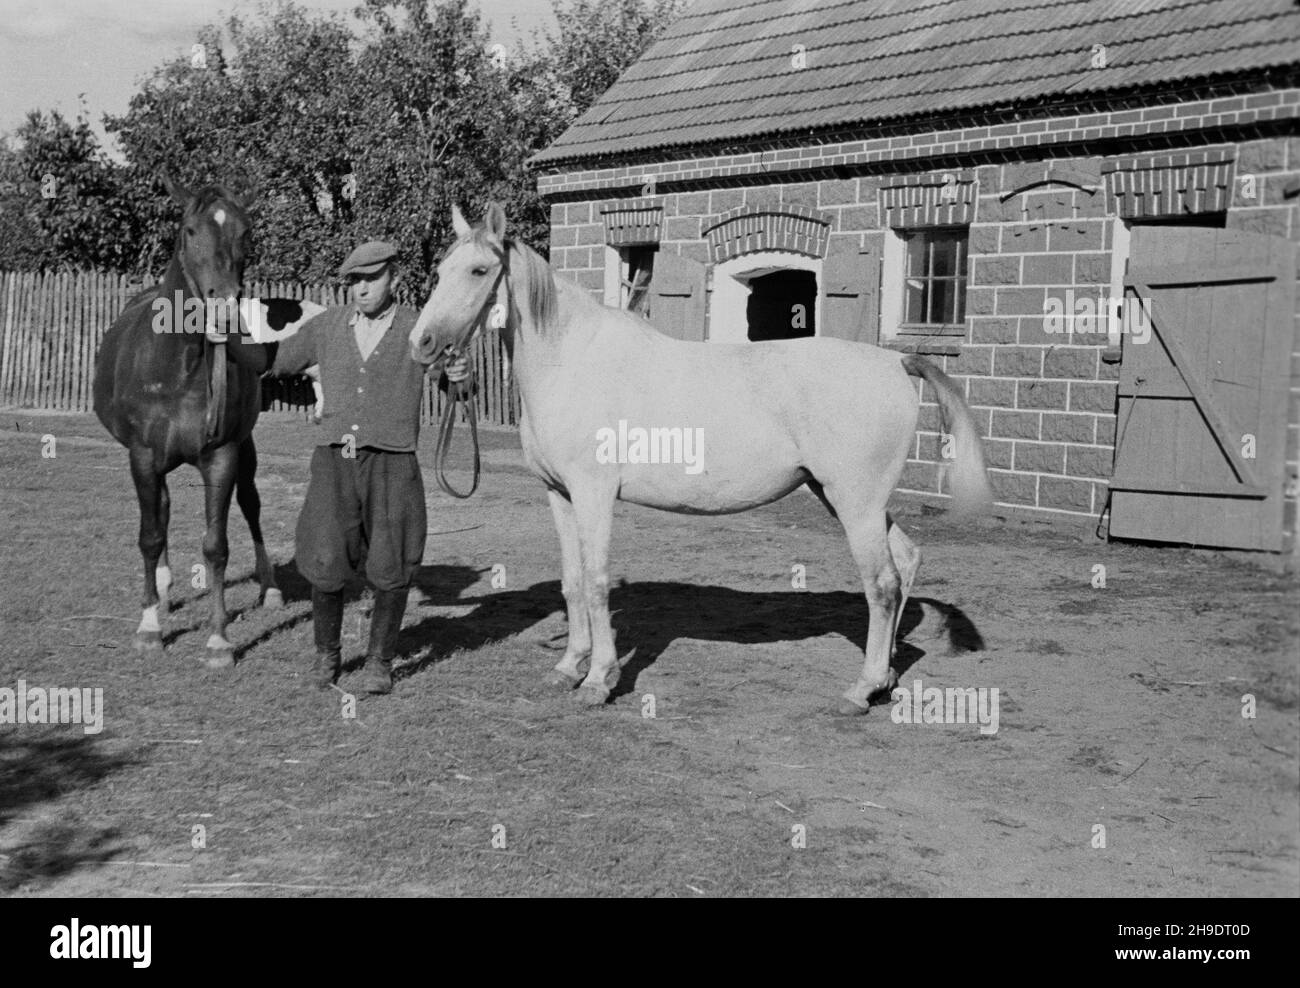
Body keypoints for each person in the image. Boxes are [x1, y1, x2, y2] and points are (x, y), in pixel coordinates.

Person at [223, 241, 468, 694]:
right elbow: (269, 360)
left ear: (393, 277)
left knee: (391, 564)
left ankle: (379, 662)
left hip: (393, 462)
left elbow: (448, 383)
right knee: (324, 557)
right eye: (353, 281)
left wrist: (458, 378)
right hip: (336, 459)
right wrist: (225, 327)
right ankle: (327, 657)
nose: (361, 289)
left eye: (370, 279)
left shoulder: (418, 328)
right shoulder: (327, 326)